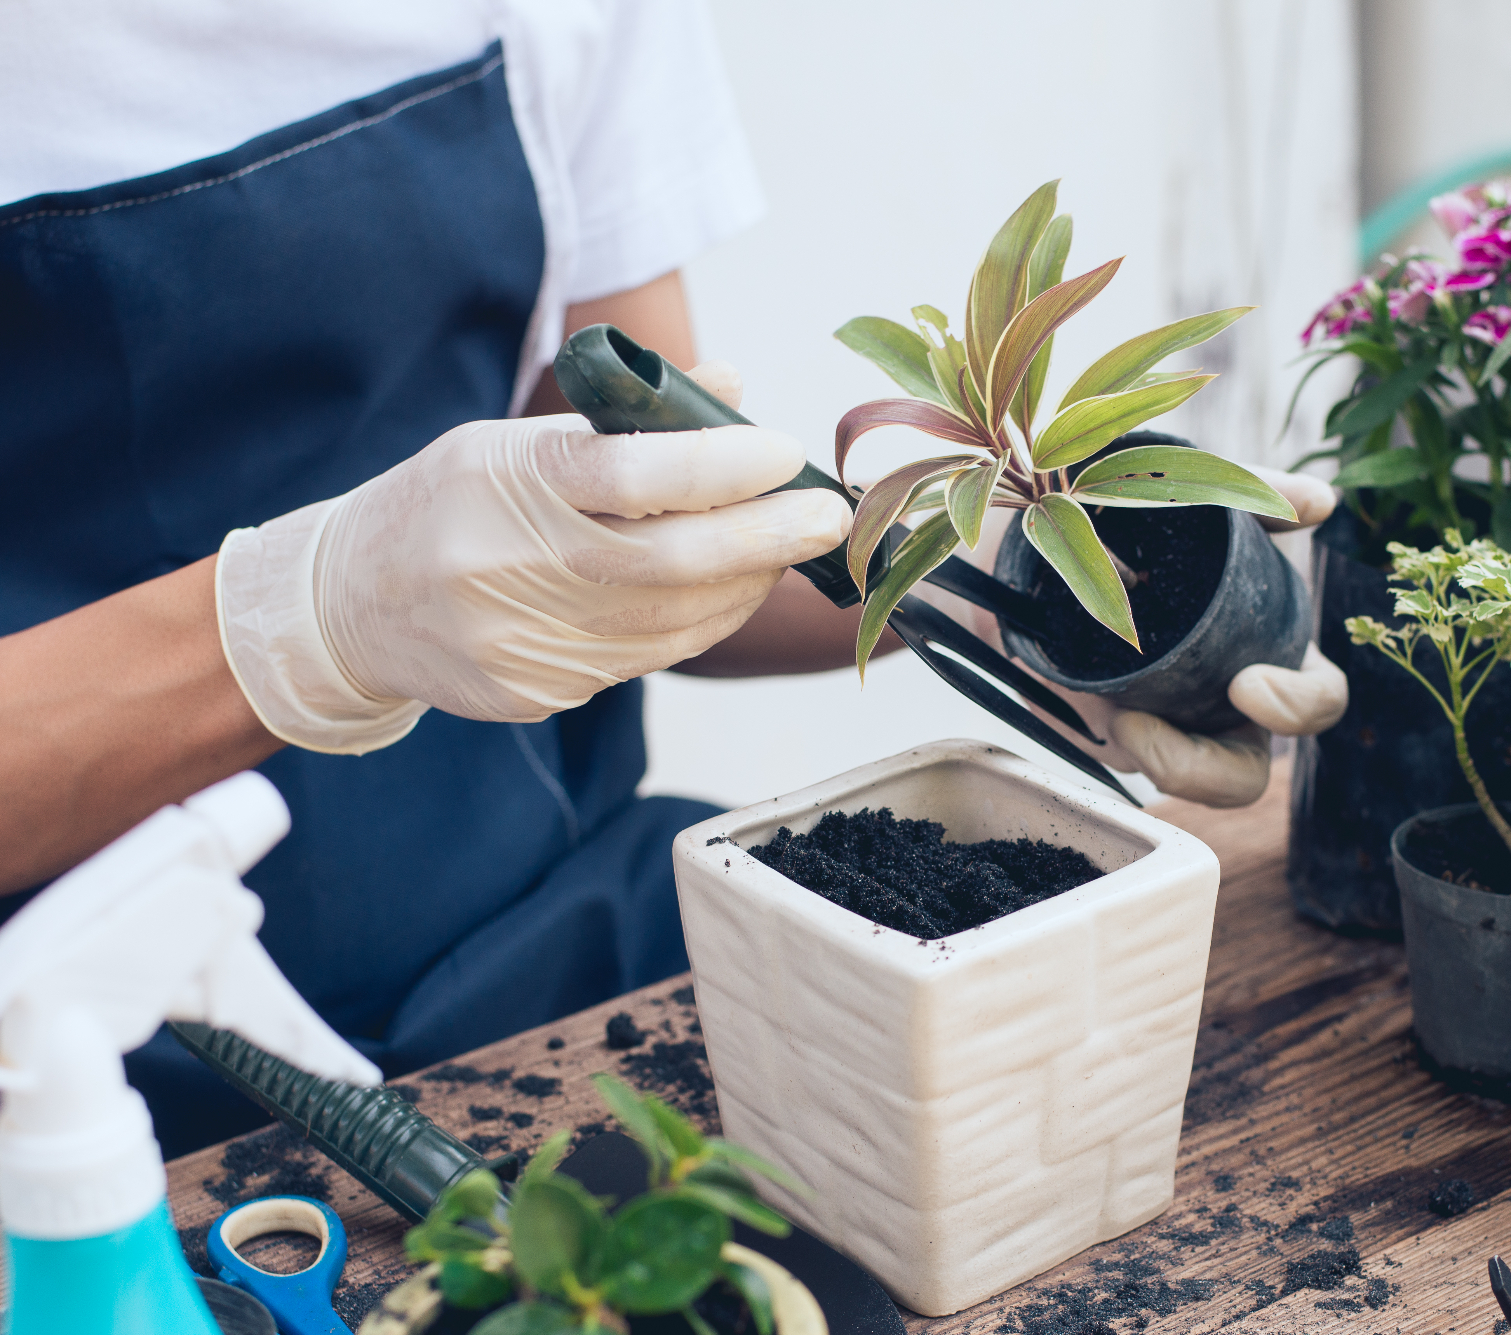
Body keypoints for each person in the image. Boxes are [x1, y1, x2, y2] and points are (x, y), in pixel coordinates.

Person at [0, 0, 1346, 1156]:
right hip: (69, 1054)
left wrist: (1019, 594)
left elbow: (645, 524)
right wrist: (308, 619)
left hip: (545, 945)